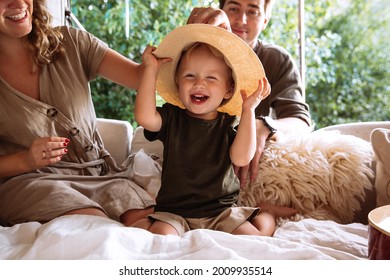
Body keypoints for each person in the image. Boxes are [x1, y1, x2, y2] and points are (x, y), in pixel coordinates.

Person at [0, 0, 155, 226]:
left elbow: (142, 76)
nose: (17, 2)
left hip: (103, 177)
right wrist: (25, 160)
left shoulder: (70, 42)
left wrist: (197, 36)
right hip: (32, 184)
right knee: (94, 229)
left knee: (154, 228)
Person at [133, 24, 297, 236]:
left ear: (228, 90)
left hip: (221, 211)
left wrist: (248, 110)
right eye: (190, 76)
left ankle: (267, 212)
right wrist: (150, 70)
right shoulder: (171, 117)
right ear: (177, 82)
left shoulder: (228, 123)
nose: (200, 83)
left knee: (255, 239)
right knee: (161, 238)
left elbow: (241, 158)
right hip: (174, 212)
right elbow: (144, 117)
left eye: (211, 78)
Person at [187, 0, 312, 187]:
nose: (241, 20)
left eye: (252, 12)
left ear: (265, 21)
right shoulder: (194, 52)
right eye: (233, 9)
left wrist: (263, 125)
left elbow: (300, 121)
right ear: (220, 12)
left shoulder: (276, 60)